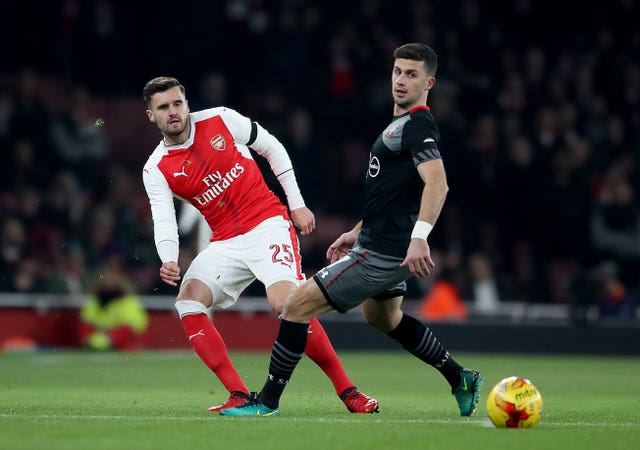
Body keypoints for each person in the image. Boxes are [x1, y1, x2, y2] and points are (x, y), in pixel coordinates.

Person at [221, 43, 484, 417]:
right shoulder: (400, 124)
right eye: (397, 71)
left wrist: (420, 238)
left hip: (383, 253)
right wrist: (356, 231)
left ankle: (266, 402)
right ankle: (461, 378)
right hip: (379, 242)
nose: (401, 80)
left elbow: (437, 184)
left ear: (429, 82)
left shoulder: (418, 125)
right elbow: (394, 195)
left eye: (412, 74)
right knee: (384, 318)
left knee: (295, 306)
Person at [141, 76, 378, 413]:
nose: (173, 112)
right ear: (152, 115)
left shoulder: (221, 118)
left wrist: (296, 204)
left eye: (177, 103)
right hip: (225, 241)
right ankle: (239, 394)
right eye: (163, 107)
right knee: (188, 301)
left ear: (186, 102)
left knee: (286, 304)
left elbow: (271, 147)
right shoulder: (156, 168)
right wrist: (168, 257)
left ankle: (349, 392)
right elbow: (163, 217)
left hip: (267, 223)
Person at [78, 264, 149, 351]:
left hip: (123, 345)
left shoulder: (128, 302)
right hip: (97, 343)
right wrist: (98, 339)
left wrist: (108, 338)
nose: (108, 281)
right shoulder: (93, 302)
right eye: (105, 278)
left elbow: (131, 328)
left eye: (112, 278)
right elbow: (86, 325)